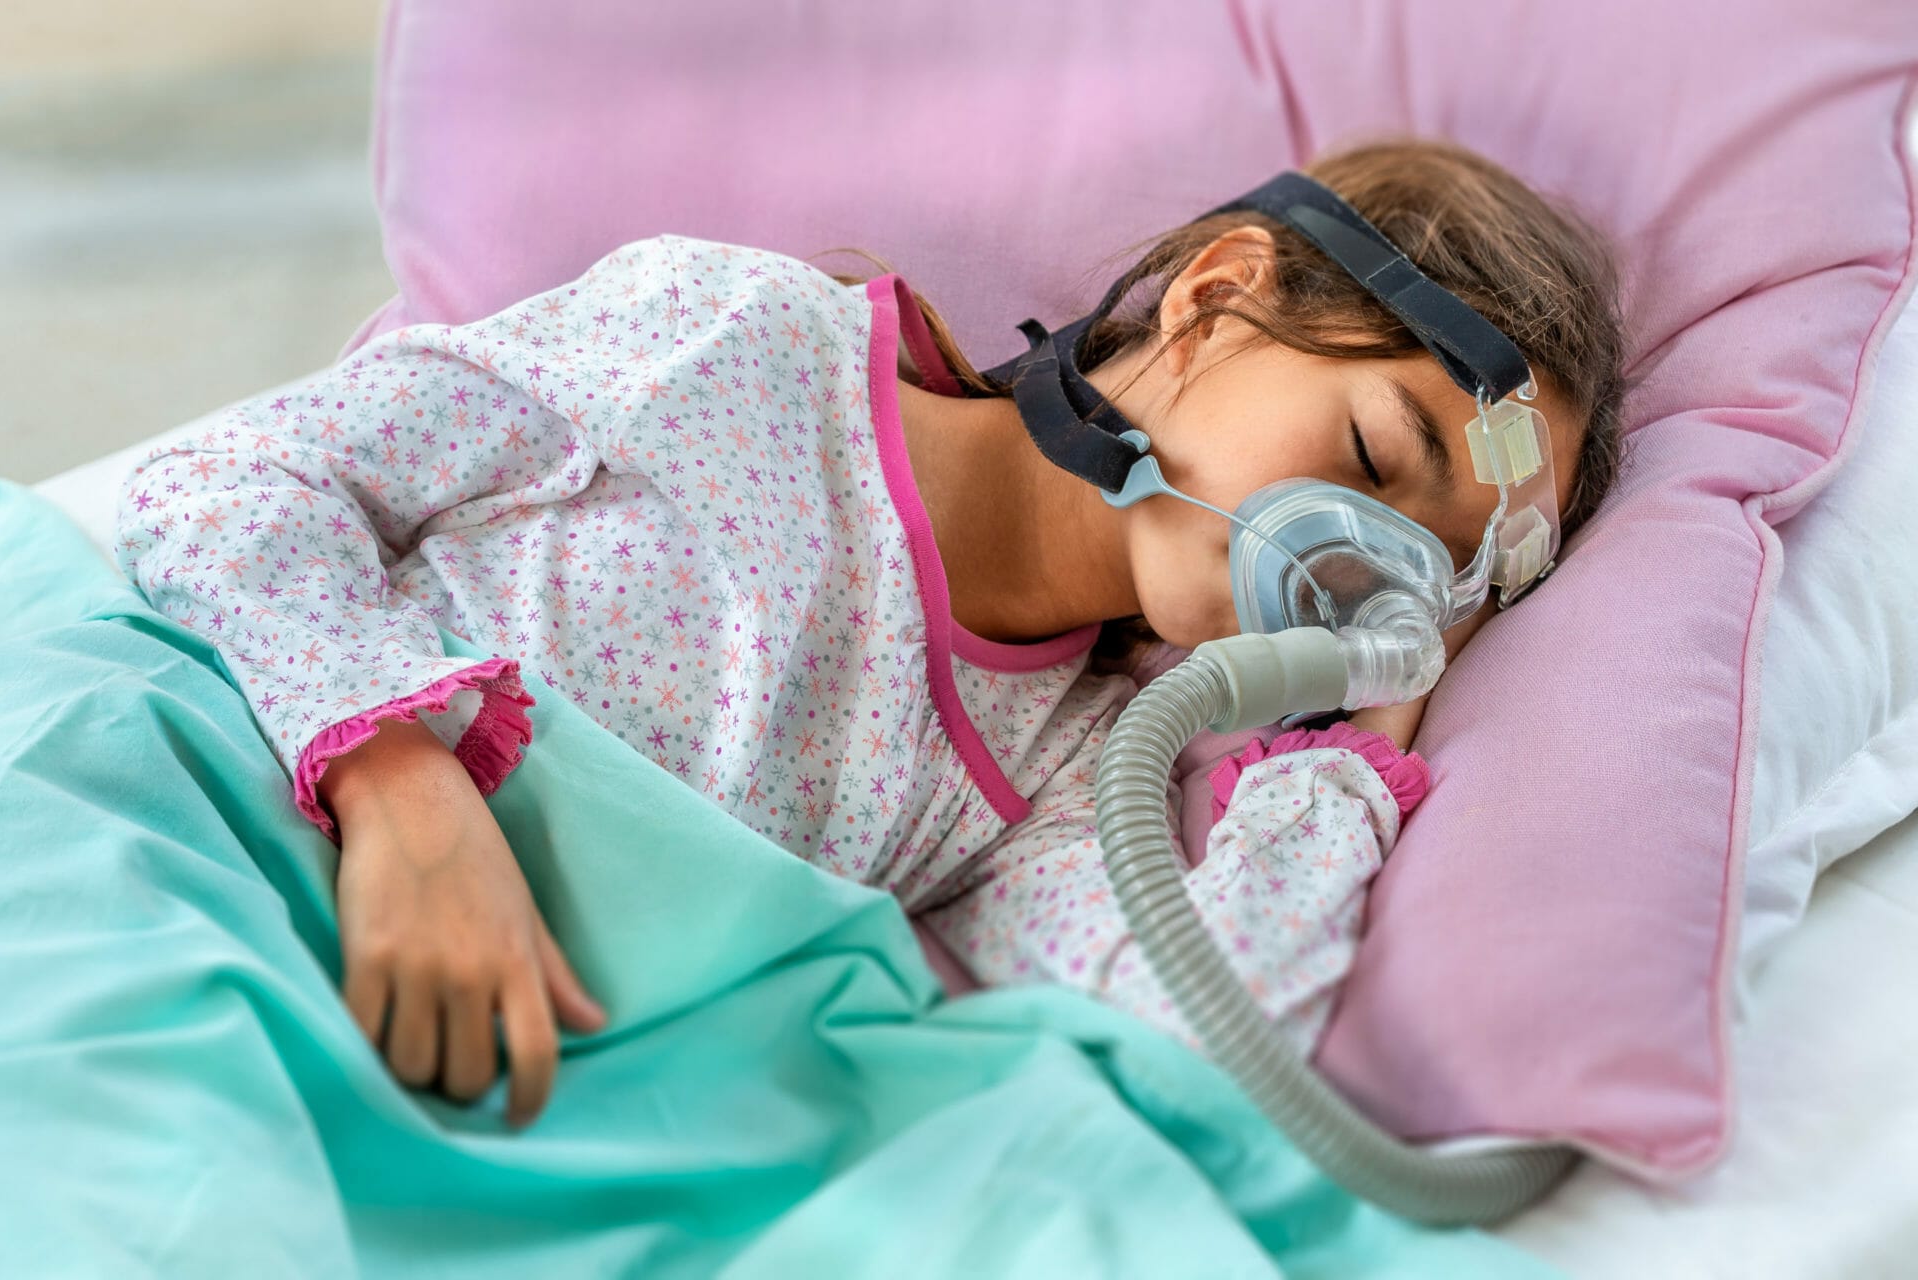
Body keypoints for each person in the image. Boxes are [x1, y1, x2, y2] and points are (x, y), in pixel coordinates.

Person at [114, 136, 1627, 1130]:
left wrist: (1339, 758)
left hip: (395, 1077)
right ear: (1218, 298)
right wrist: (403, 785)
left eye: (1424, 580)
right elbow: (231, 477)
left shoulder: (1067, 765)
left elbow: (1195, 1055)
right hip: (182, 847)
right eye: (1371, 457)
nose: (1359, 568)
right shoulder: (740, 347)